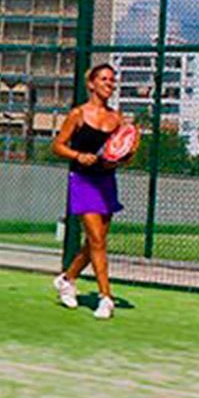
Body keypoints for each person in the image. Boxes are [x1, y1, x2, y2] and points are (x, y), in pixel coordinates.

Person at [50, 63, 135, 319]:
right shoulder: (77, 114)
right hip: (83, 181)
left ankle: (67, 279)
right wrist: (78, 155)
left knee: (94, 243)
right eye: (104, 79)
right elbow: (57, 146)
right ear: (91, 84)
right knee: (98, 241)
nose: (110, 84)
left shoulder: (117, 119)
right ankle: (106, 297)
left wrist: (126, 154)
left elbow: (123, 157)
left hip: (106, 182)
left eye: (112, 80)